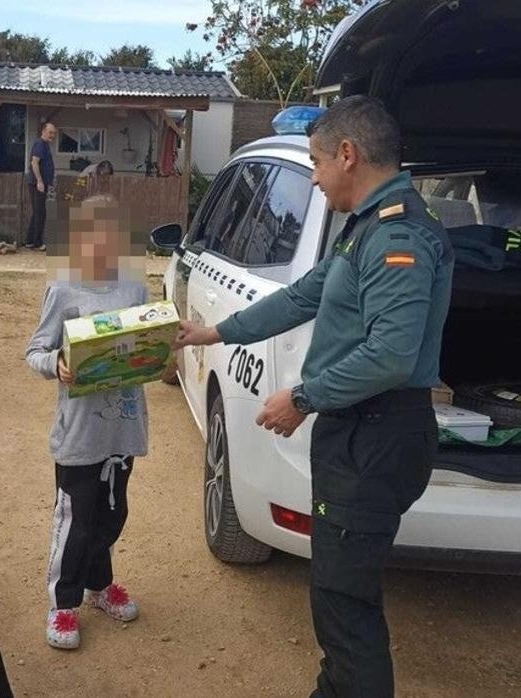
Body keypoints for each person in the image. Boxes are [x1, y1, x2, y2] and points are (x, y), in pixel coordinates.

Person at [175, 95, 454, 698]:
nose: (319, 178)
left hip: (375, 435)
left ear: (348, 155)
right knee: (336, 592)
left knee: (345, 604)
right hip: (359, 434)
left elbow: (390, 355)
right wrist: (213, 332)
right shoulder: (365, 229)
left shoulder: (396, 238)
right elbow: (300, 297)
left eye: (319, 162)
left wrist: (302, 397)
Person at [25, 194, 146, 650]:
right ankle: (62, 603)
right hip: (79, 434)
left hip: (122, 430)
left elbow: (145, 344)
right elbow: (34, 351)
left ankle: (100, 586)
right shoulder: (64, 291)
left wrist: (162, 355)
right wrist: (55, 361)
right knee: (75, 520)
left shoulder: (134, 289)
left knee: (111, 515)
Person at [25, 121, 57, 251]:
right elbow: (34, 163)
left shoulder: (45, 145)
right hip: (37, 184)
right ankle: (37, 242)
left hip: (40, 184)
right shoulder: (40, 144)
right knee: (41, 213)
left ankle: (30, 241)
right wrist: (39, 181)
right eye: (50, 132)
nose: (52, 135)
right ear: (43, 131)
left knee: (37, 212)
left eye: (54, 133)